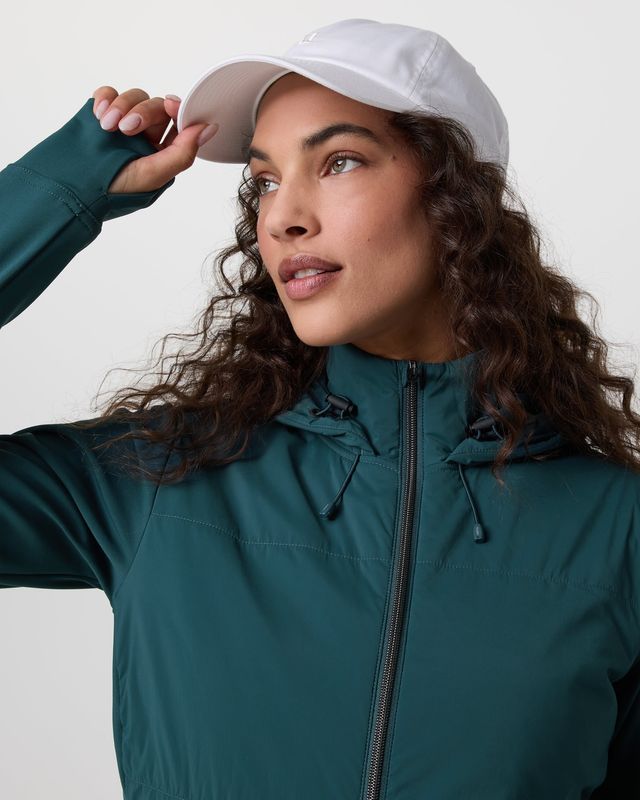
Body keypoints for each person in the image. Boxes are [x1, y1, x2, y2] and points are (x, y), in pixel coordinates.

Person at [1, 16, 639, 800]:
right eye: (266, 180)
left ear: (460, 199)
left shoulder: (618, 532)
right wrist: (58, 192)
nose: (281, 217)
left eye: (338, 162)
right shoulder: (159, 481)